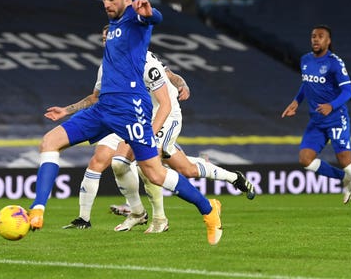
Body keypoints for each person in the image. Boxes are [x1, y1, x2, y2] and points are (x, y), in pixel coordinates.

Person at [28, 0, 224, 245]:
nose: (106, 4)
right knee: (49, 142)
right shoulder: (114, 28)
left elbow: (154, 18)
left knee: (155, 173)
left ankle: (208, 209)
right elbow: (96, 91)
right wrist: (67, 110)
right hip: (103, 106)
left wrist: (149, 11)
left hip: (131, 109)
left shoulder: (134, 17)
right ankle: (37, 210)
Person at [50, 26, 254, 233]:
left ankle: (160, 219)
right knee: (145, 166)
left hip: (165, 115)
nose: (106, 43)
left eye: (110, 38)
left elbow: (168, 87)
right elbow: (95, 97)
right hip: (134, 117)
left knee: (146, 163)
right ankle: (232, 178)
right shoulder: (108, 66)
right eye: (103, 39)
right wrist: (67, 110)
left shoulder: (147, 62)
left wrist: (182, 84)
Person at [281, 25, 351, 214]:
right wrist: (296, 101)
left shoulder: (335, 63)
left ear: (328, 41)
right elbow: (306, 83)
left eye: (320, 36)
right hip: (317, 120)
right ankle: (345, 179)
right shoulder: (305, 60)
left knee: (345, 161)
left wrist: (331, 105)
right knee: (305, 160)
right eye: (313, 36)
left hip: (336, 119)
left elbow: (348, 91)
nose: (316, 39)